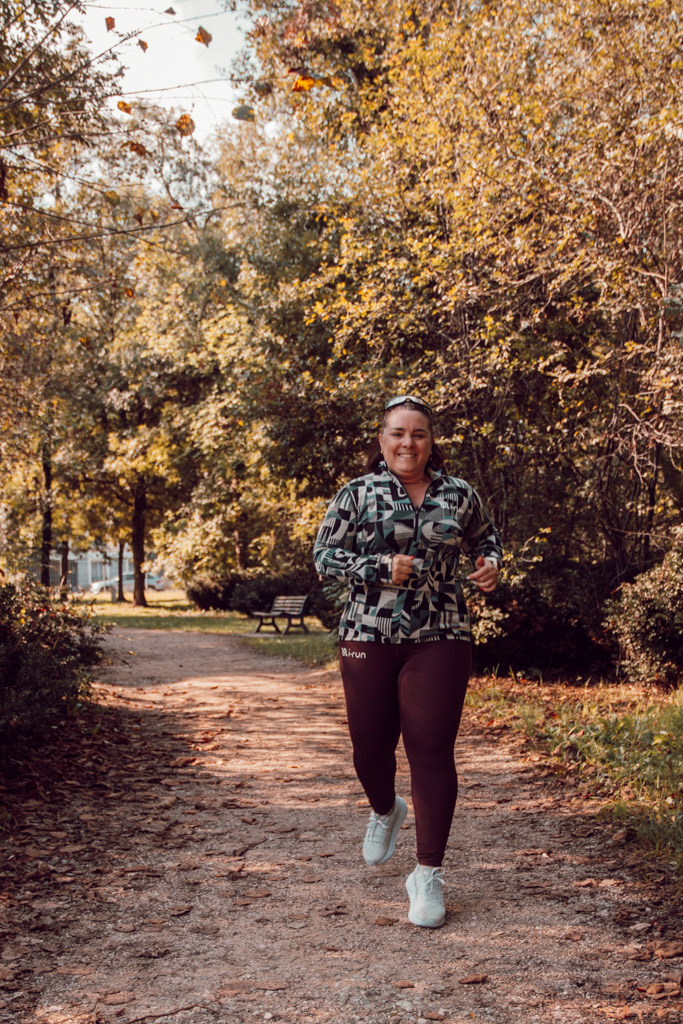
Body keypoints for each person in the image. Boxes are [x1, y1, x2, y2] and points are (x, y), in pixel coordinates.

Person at [313, 395, 502, 928]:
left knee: (431, 747)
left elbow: (487, 539)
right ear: (382, 440)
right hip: (367, 631)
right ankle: (383, 809)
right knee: (369, 748)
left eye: (419, 434)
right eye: (398, 433)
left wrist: (491, 566)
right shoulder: (356, 494)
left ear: (430, 441)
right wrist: (377, 565)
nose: (408, 443)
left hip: (440, 632)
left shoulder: (459, 494)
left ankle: (427, 874)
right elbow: (324, 555)